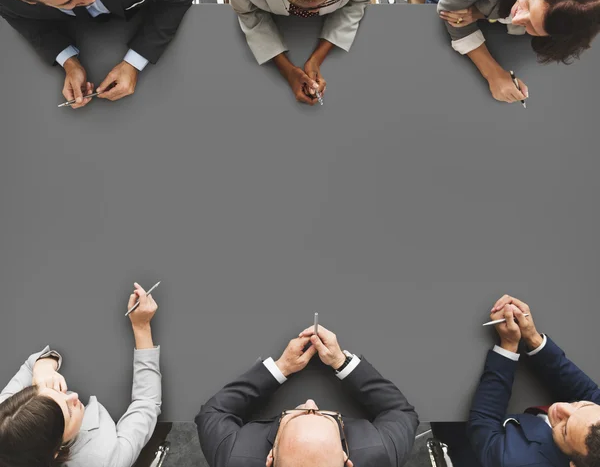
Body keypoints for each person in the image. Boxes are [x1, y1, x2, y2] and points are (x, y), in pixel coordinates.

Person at [196, 324, 419, 467]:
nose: (311, 401)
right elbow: (400, 412)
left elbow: (213, 413)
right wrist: (341, 362)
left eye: (297, 414)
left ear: (270, 457)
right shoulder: (377, 453)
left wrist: (282, 367)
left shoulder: (237, 458)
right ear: (346, 460)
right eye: (324, 415)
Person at [0, 0, 194, 108]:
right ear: (27, 1)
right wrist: (69, 62)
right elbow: (24, 21)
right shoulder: (9, 2)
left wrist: (134, 63)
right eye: (69, 0)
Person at [0, 283, 161, 467]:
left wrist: (43, 367)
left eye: (51, 393)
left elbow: (31, 366)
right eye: (69, 412)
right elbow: (146, 403)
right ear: (55, 452)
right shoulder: (104, 460)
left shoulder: (7, 421)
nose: (74, 396)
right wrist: (142, 328)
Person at [425, 0, 600, 104]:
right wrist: (493, 74)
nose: (516, 20)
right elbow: (451, 14)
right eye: (529, 6)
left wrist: (481, 14)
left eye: (533, 26)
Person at [222, 0, 381, 105]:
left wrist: (317, 58)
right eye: (298, 6)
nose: (314, 12)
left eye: (325, 2)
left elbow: (358, 2)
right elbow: (247, 12)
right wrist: (288, 71)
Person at [468, 294, 600, 467]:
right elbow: (587, 393)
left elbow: (483, 420)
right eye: (582, 405)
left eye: (565, 429)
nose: (561, 407)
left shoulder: (515, 460)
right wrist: (533, 338)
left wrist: (508, 346)